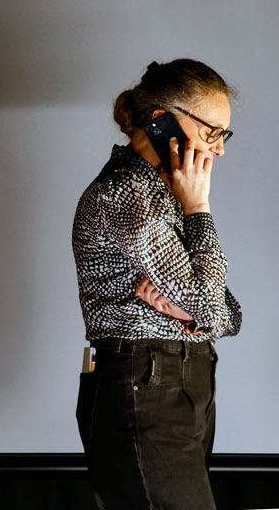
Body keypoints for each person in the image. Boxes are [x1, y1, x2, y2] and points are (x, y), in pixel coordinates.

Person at [72, 59, 242, 509]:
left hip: (184, 383)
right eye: (212, 131)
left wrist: (194, 311)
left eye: (224, 134)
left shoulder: (167, 191)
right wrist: (200, 206)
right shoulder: (128, 193)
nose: (219, 149)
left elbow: (231, 314)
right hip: (144, 385)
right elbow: (212, 309)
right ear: (160, 120)